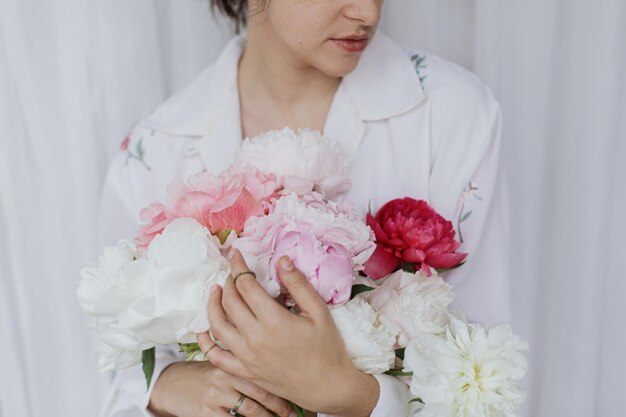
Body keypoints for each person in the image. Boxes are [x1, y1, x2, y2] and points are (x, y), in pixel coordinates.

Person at [97, 0, 511, 416]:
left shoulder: (451, 118)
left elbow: (490, 382)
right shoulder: (154, 153)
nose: (369, 13)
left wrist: (352, 394)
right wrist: (167, 387)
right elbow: (114, 373)